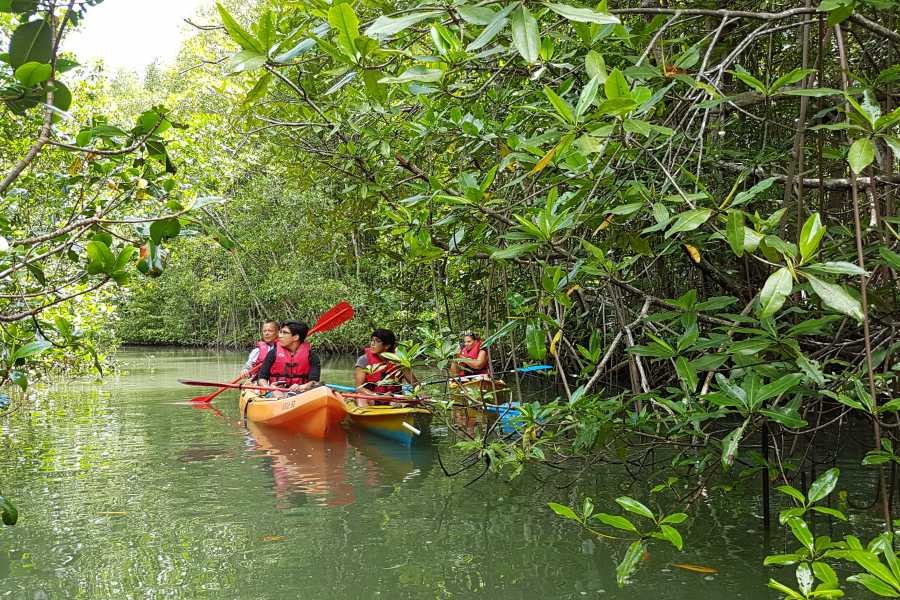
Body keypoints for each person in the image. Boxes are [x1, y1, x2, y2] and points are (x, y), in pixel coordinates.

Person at [258, 321, 321, 396]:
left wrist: (300, 386)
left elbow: (314, 382)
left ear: (296, 337)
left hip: (301, 392)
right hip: (275, 392)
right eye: (280, 332)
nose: (280, 336)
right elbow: (262, 378)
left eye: (285, 333)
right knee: (277, 394)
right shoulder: (272, 354)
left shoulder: (312, 356)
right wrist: (270, 388)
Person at [354, 328, 416, 404]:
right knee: (361, 398)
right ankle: (363, 414)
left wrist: (422, 396)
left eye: (377, 341)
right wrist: (377, 396)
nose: (372, 344)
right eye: (372, 340)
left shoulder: (399, 361)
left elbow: (415, 384)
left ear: (387, 346)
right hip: (372, 397)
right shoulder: (363, 360)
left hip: (393, 398)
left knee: (406, 402)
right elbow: (359, 388)